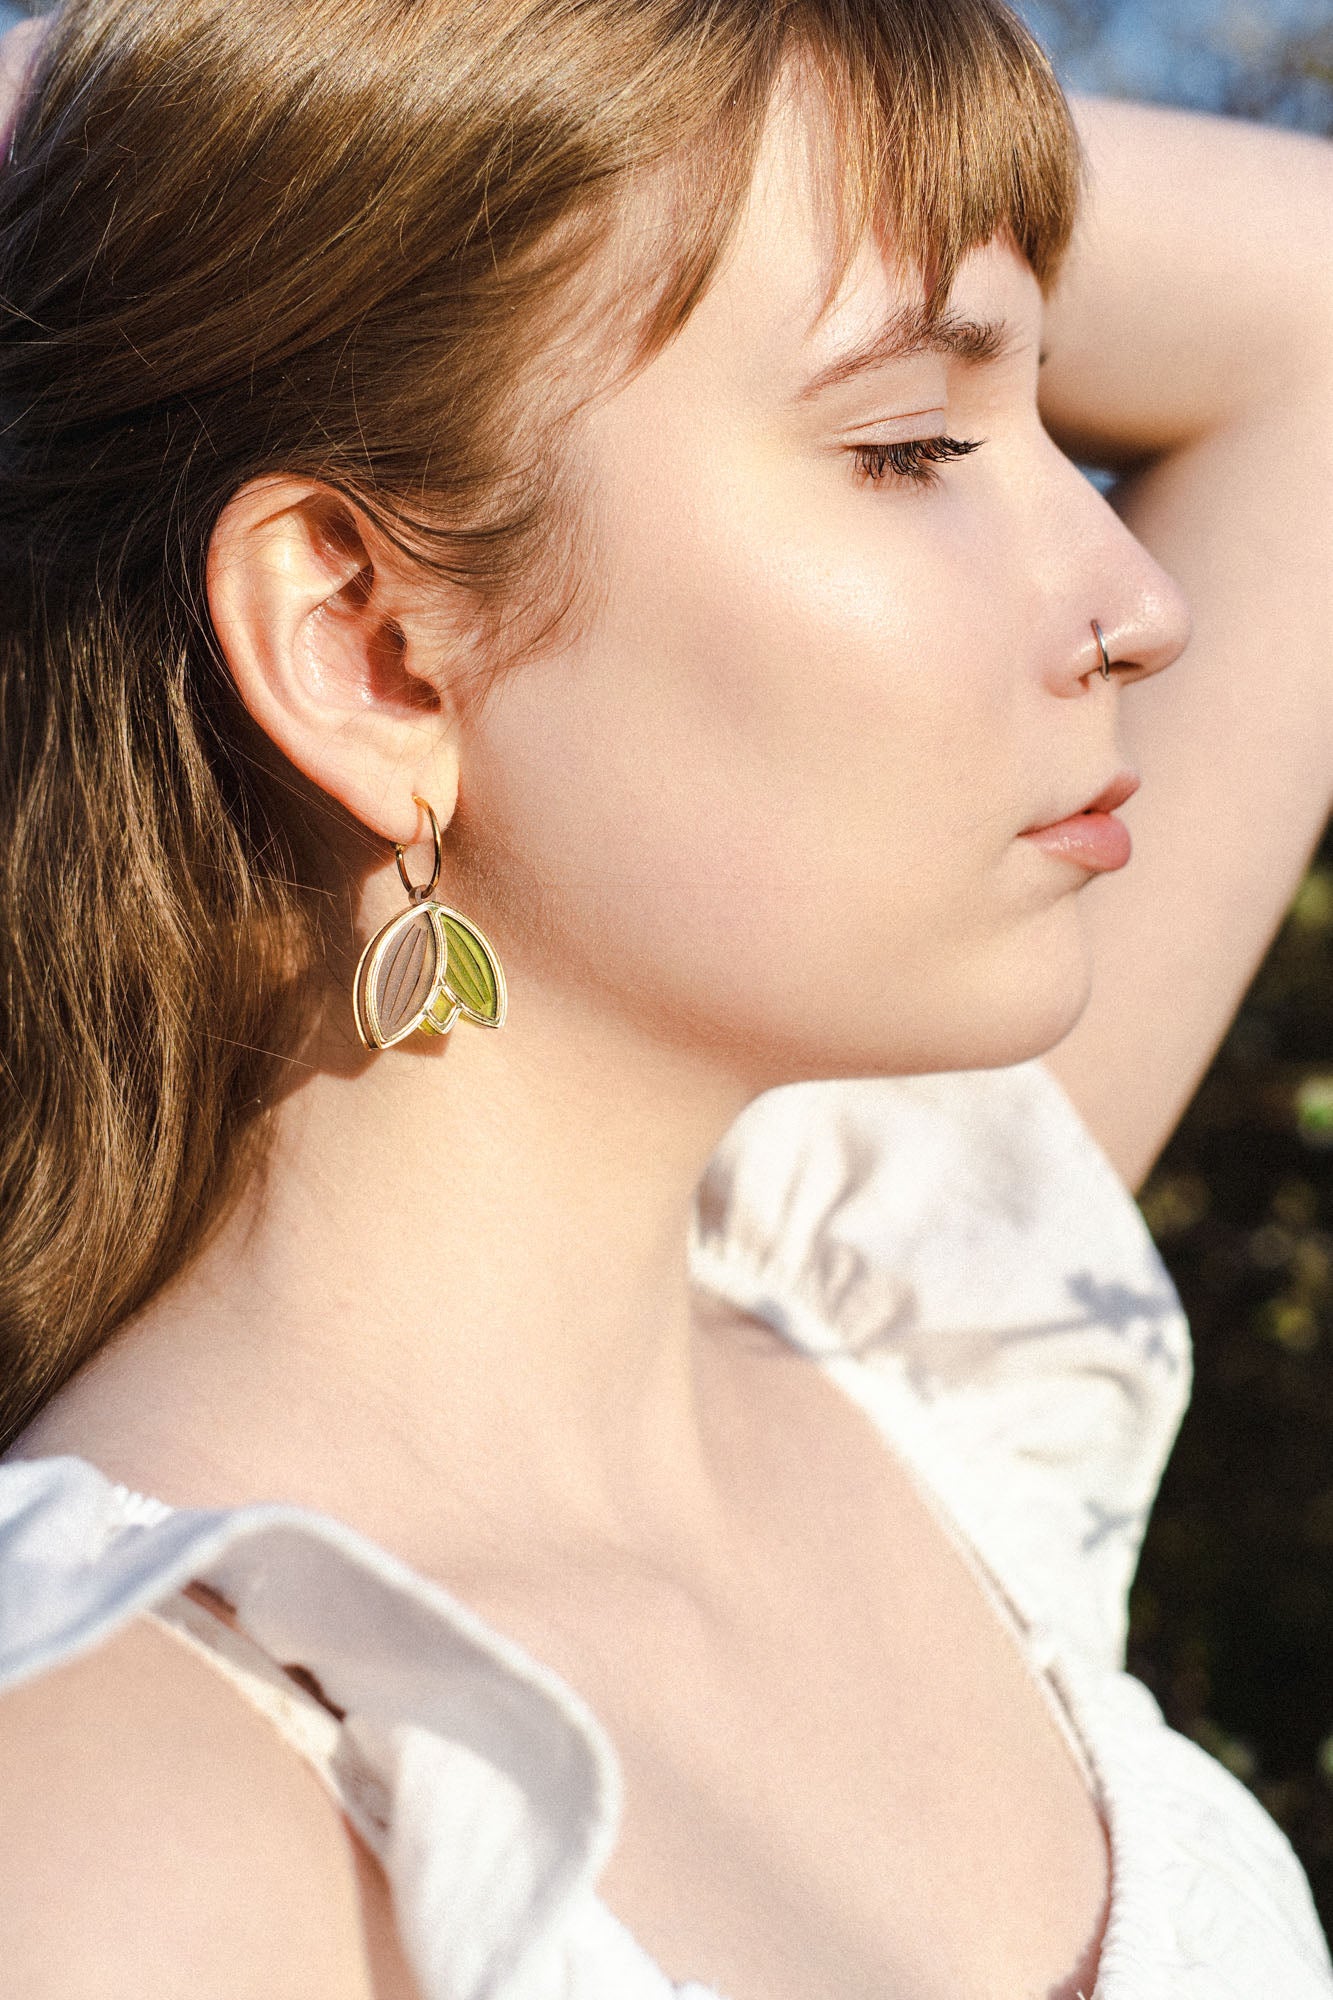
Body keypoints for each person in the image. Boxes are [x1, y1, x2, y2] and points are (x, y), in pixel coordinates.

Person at [0, 0, 1329, 1994]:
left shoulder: (916, 1340)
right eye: (909, 446)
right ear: (365, 646)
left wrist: (171, 84)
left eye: (1048, 415)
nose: (1134, 602)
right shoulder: (118, 1818)